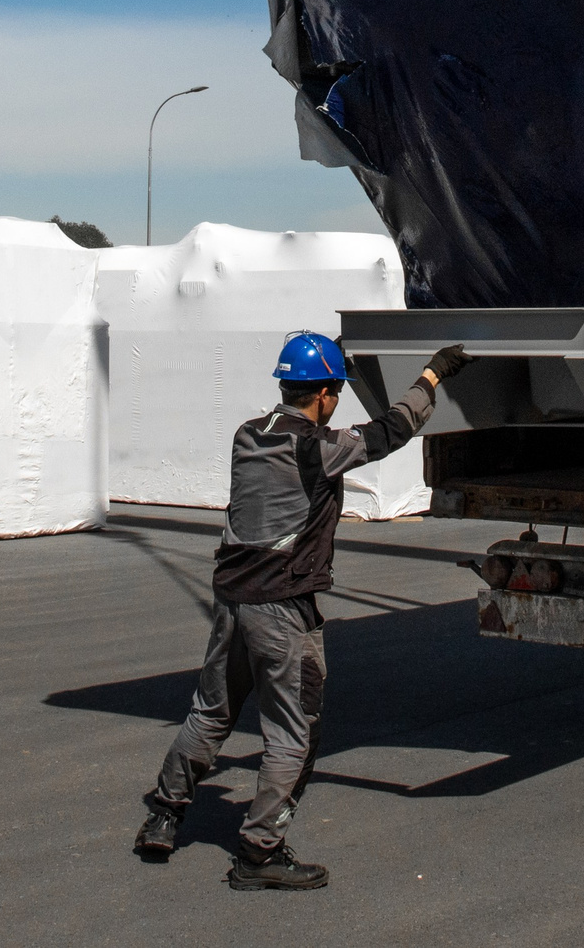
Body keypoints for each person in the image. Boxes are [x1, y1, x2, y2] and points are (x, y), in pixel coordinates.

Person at [133, 332, 471, 889]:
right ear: (326, 394)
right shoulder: (316, 448)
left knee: (211, 713)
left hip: (231, 600)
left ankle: (165, 815)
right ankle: (258, 853)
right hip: (282, 609)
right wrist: (432, 374)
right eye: (335, 390)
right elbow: (391, 431)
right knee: (294, 733)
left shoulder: (248, 436)